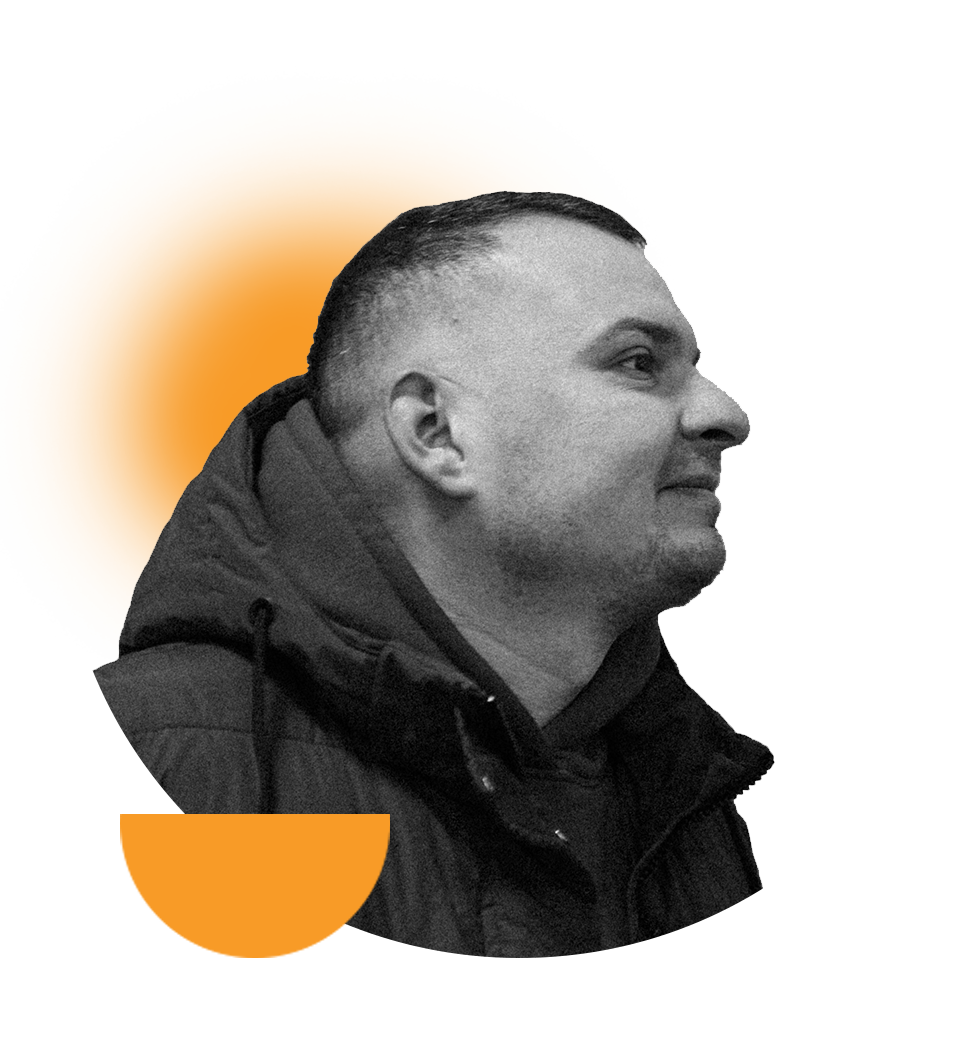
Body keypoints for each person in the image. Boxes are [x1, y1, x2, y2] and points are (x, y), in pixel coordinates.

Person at [92, 191, 774, 958]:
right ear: (436, 432)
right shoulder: (121, 771)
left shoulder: (685, 806)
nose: (726, 415)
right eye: (639, 363)